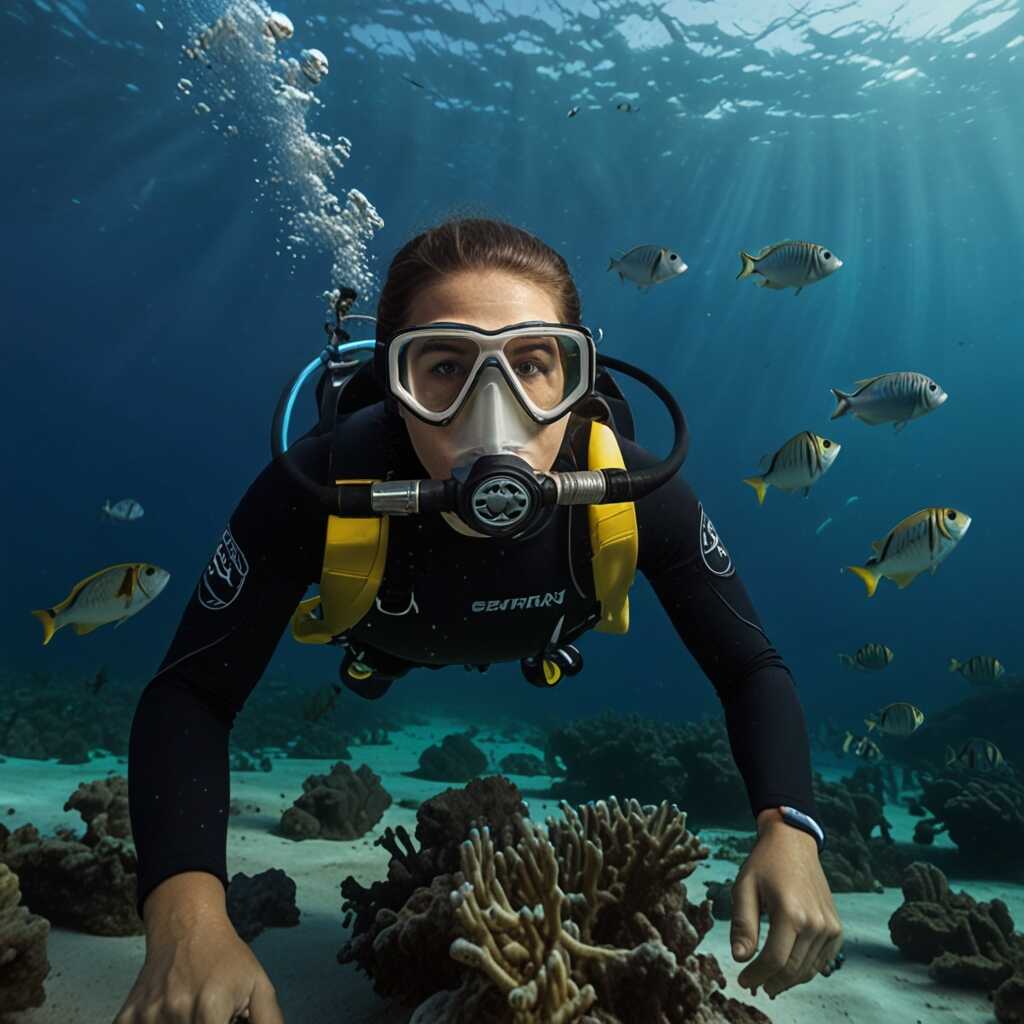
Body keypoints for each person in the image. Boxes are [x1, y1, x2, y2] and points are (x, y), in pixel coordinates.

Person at [118, 218, 842, 1024]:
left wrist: (791, 825)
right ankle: (379, 664)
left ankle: (498, 647)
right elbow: (190, 694)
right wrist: (185, 916)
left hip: (543, 630)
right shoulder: (318, 487)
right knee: (374, 663)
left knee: (517, 650)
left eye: (532, 365)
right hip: (386, 633)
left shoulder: (641, 492)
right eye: (444, 368)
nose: (493, 413)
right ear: (394, 383)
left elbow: (751, 667)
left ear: (576, 376)